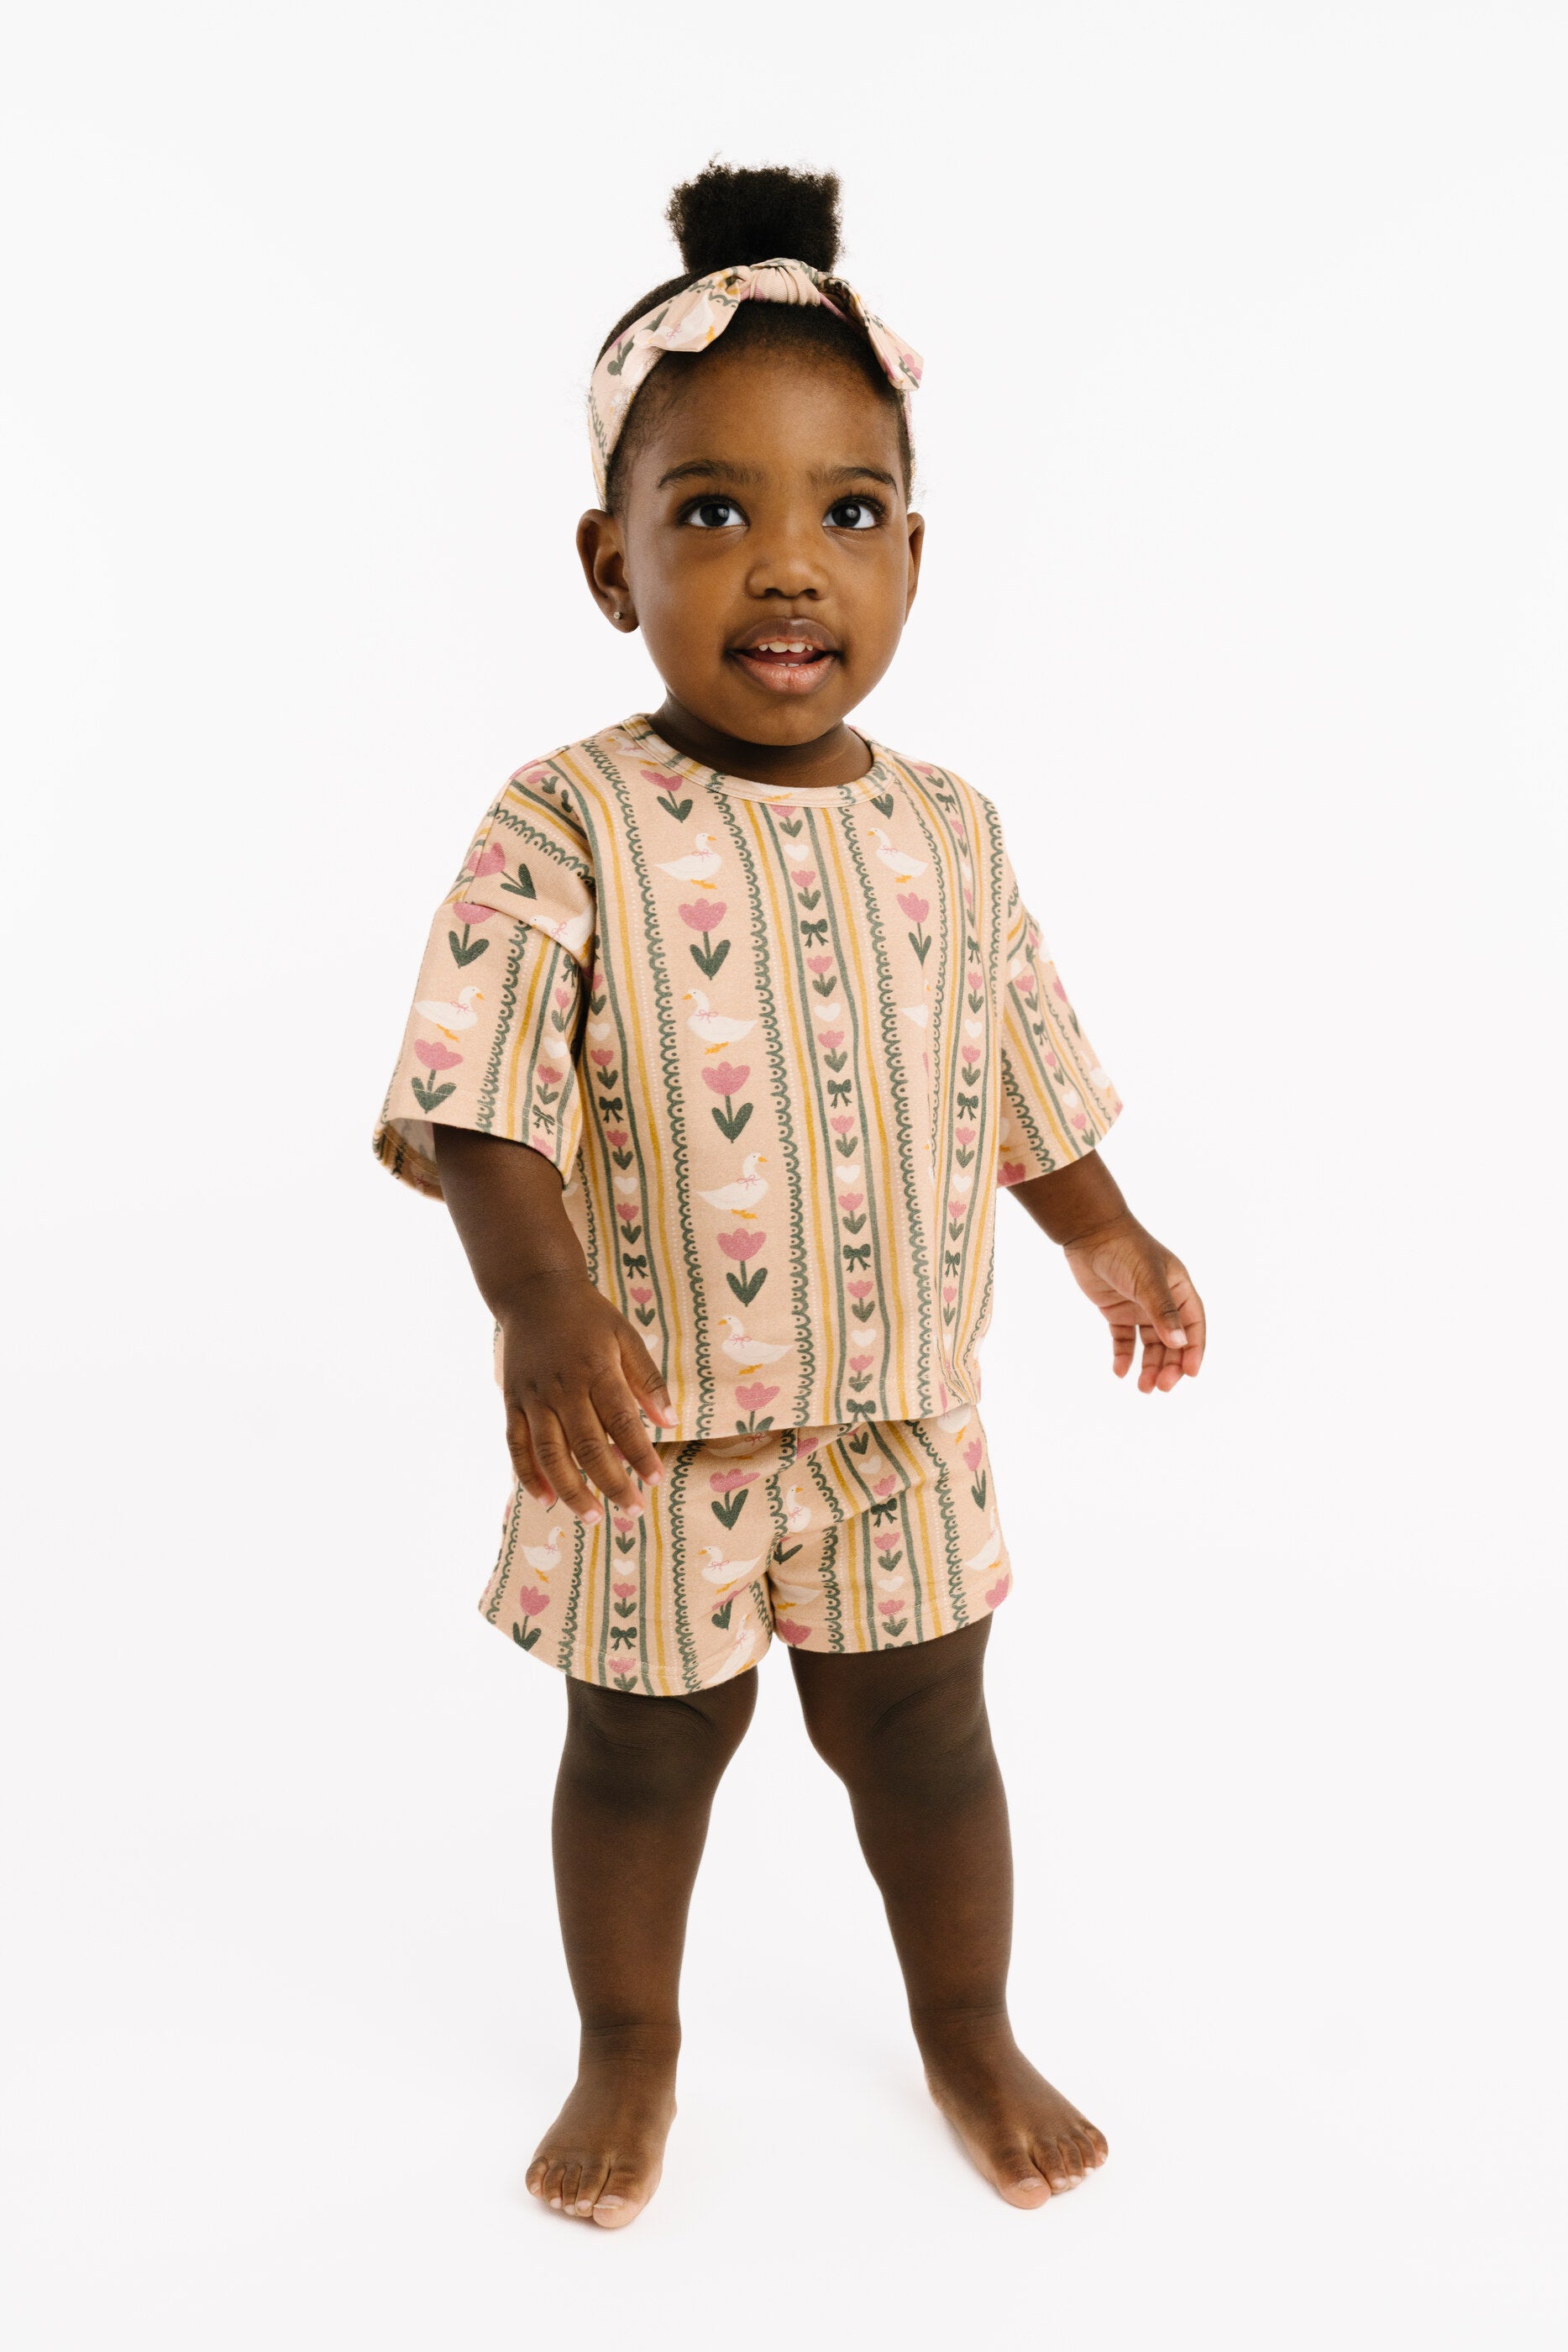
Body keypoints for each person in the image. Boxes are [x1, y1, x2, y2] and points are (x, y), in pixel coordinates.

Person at [375, 161, 1205, 2229]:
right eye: (709, 511)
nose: (784, 565)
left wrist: (1101, 1223)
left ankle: (965, 2020)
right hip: (645, 1427)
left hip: (900, 1419)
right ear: (611, 559)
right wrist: (536, 1300)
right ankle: (627, 2039)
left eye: (846, 510)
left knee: (931, 1738)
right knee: (641, 1750)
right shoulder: (566, 819)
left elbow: (1014, 1054)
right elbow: (475, 1091)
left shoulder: (955, 830)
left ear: (913, 552)